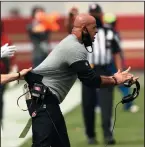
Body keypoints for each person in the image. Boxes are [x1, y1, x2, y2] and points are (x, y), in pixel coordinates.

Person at [24, 13, 138, 147]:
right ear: (84, 28)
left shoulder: (72, 42)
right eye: (94, 27)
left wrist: (115, 78)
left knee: (60, 143)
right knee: (43, 144)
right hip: (43, 97)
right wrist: (115, 80)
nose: (96, 31)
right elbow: (90, 80)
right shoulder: (75, 47)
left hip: (44, 97)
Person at [81, 4, 123, 145]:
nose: (95, 16)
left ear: (101, 14)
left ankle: (108, 135)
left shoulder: (109, 32)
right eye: (92, 13)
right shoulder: (83, 32)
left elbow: (116, 52)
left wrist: (119, 71)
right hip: (88, 71)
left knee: (106, 105)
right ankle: (90, 135)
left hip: (104, 70)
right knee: (88, 104)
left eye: (96, 13)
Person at [103, 12, 139, 113]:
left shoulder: (101, 32)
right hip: (113, 62)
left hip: (105, 63)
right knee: (122, 83)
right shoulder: (113, 33)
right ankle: (129, 105)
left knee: (103, 83)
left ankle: (99, 105)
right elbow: (117, 51)